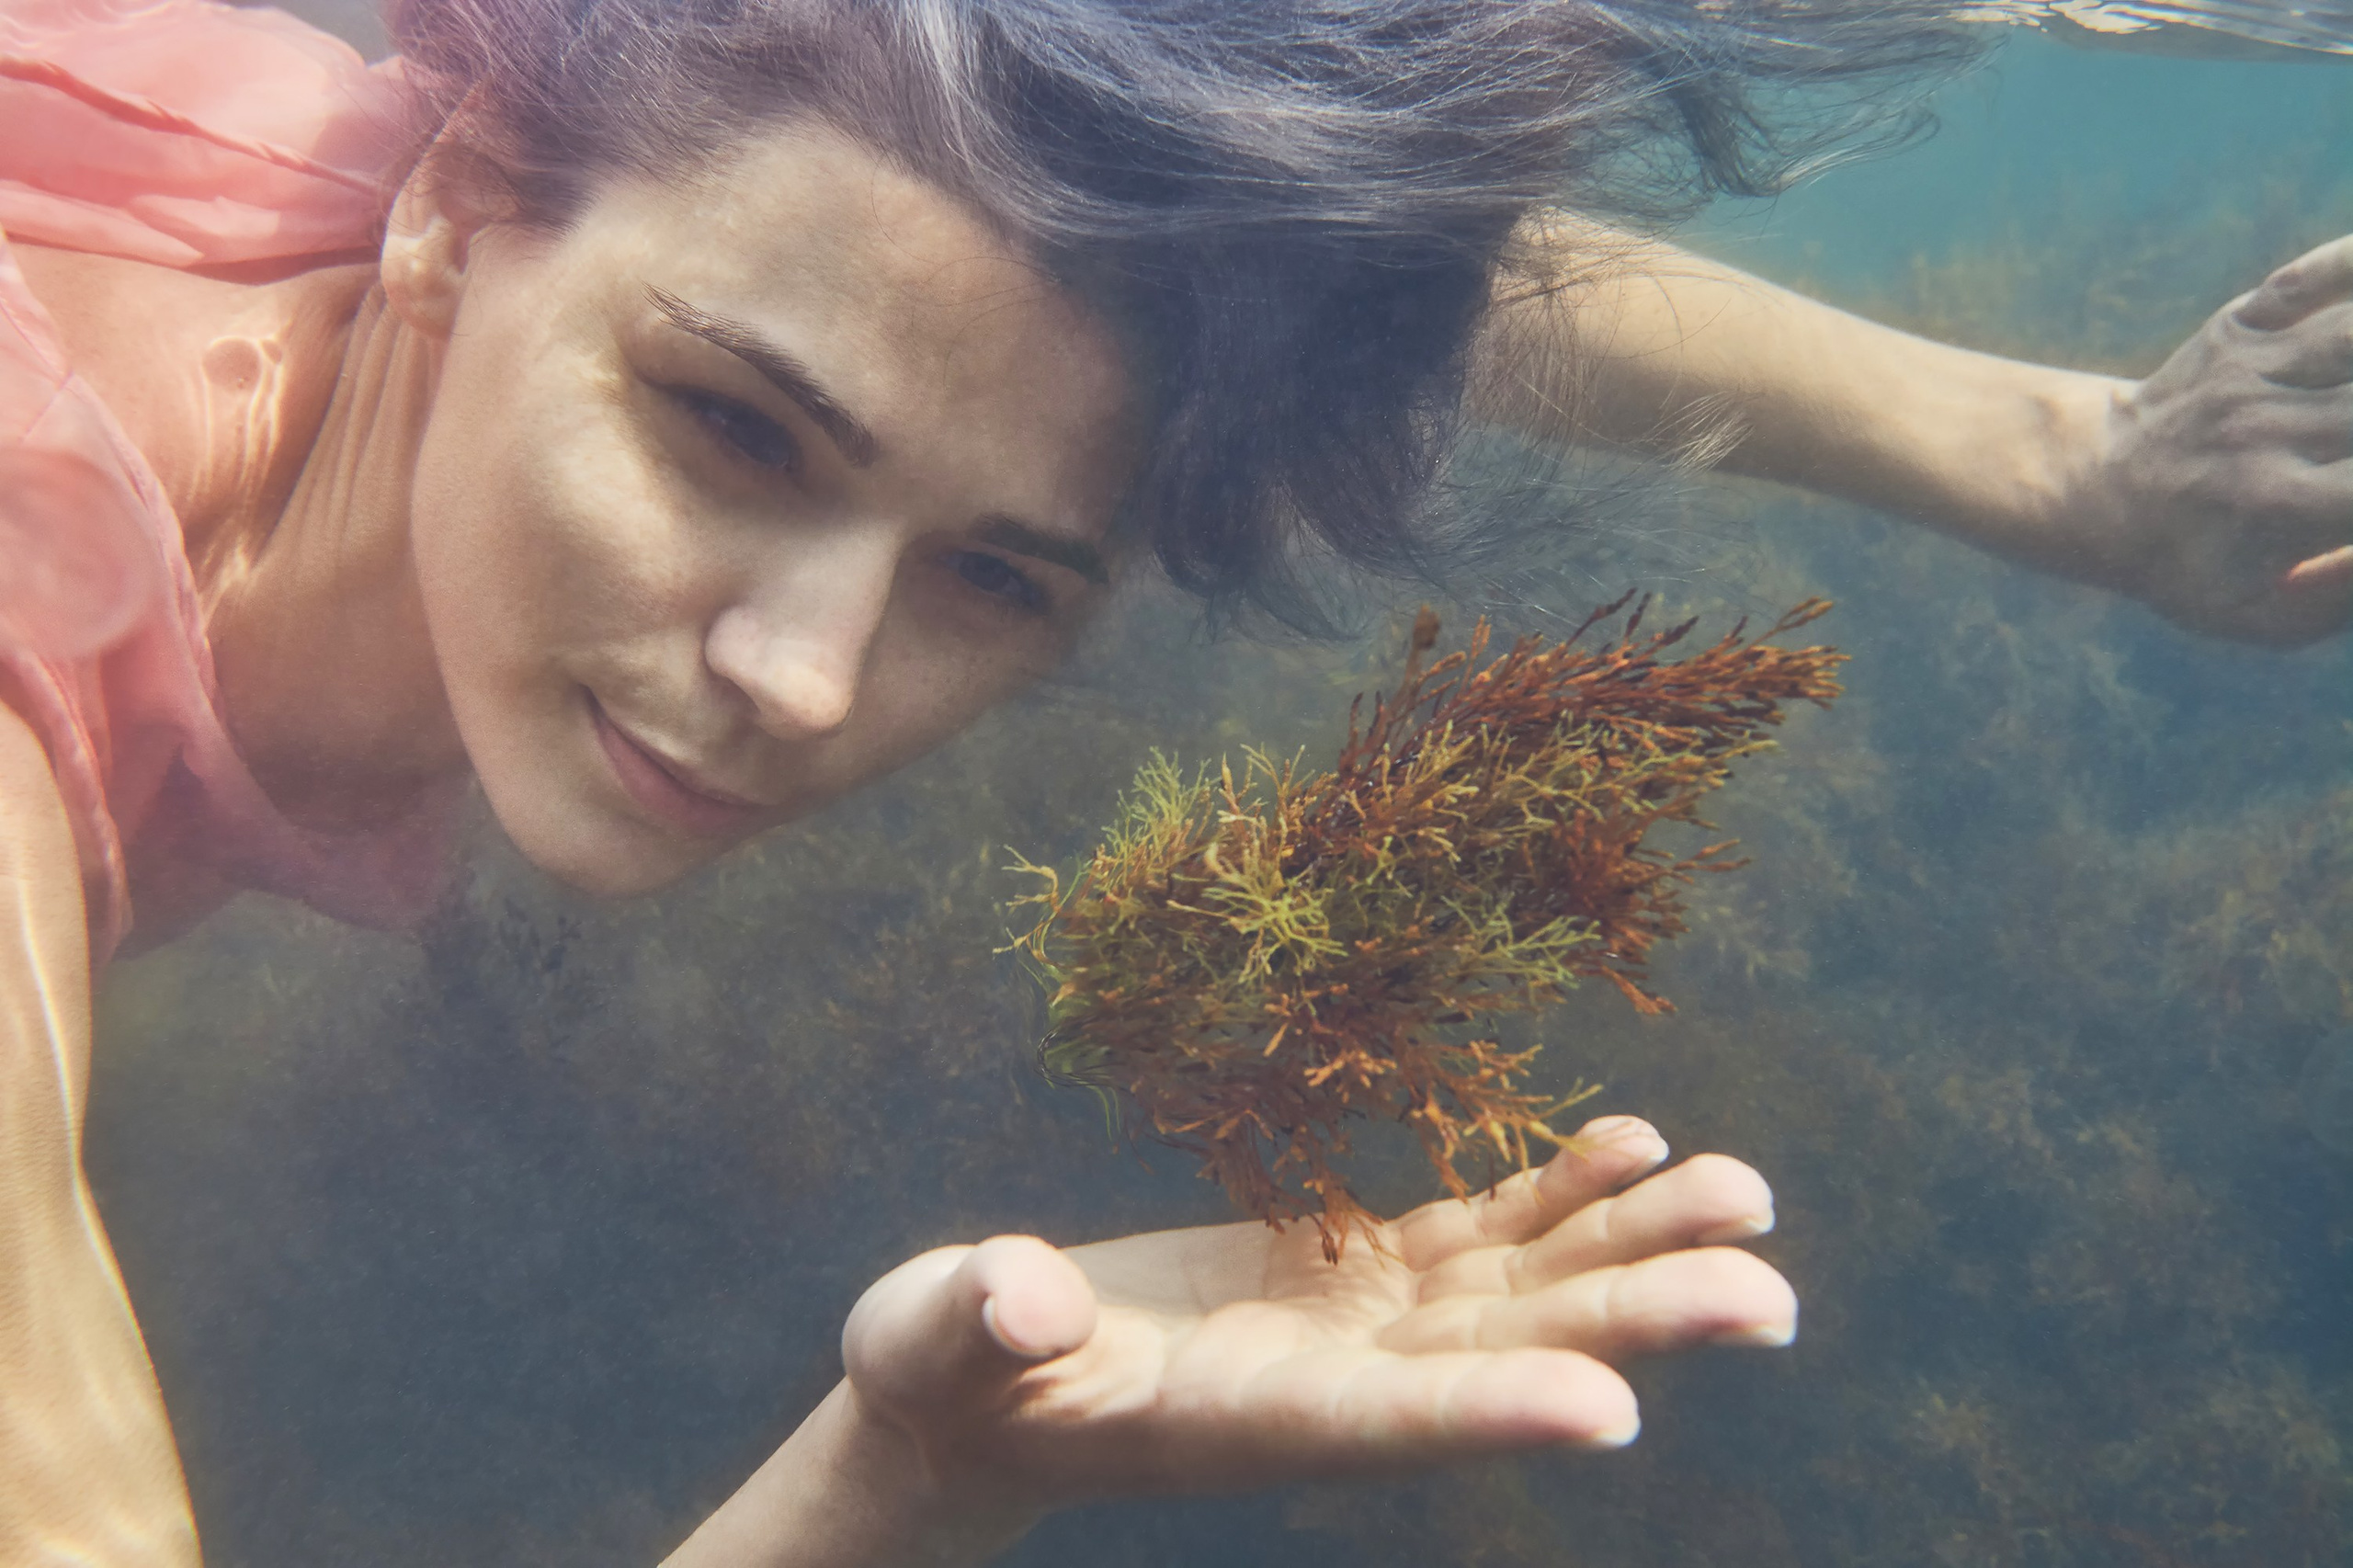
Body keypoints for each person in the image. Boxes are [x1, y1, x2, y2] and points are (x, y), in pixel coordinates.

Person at [0, 1, 2344, 1563]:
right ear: (453, 202)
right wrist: (876, 1494)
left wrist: (2062, 460)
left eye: (1000, 577)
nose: (802, 684)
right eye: (728, 425)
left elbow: (1182, 266)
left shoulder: (598, 160)